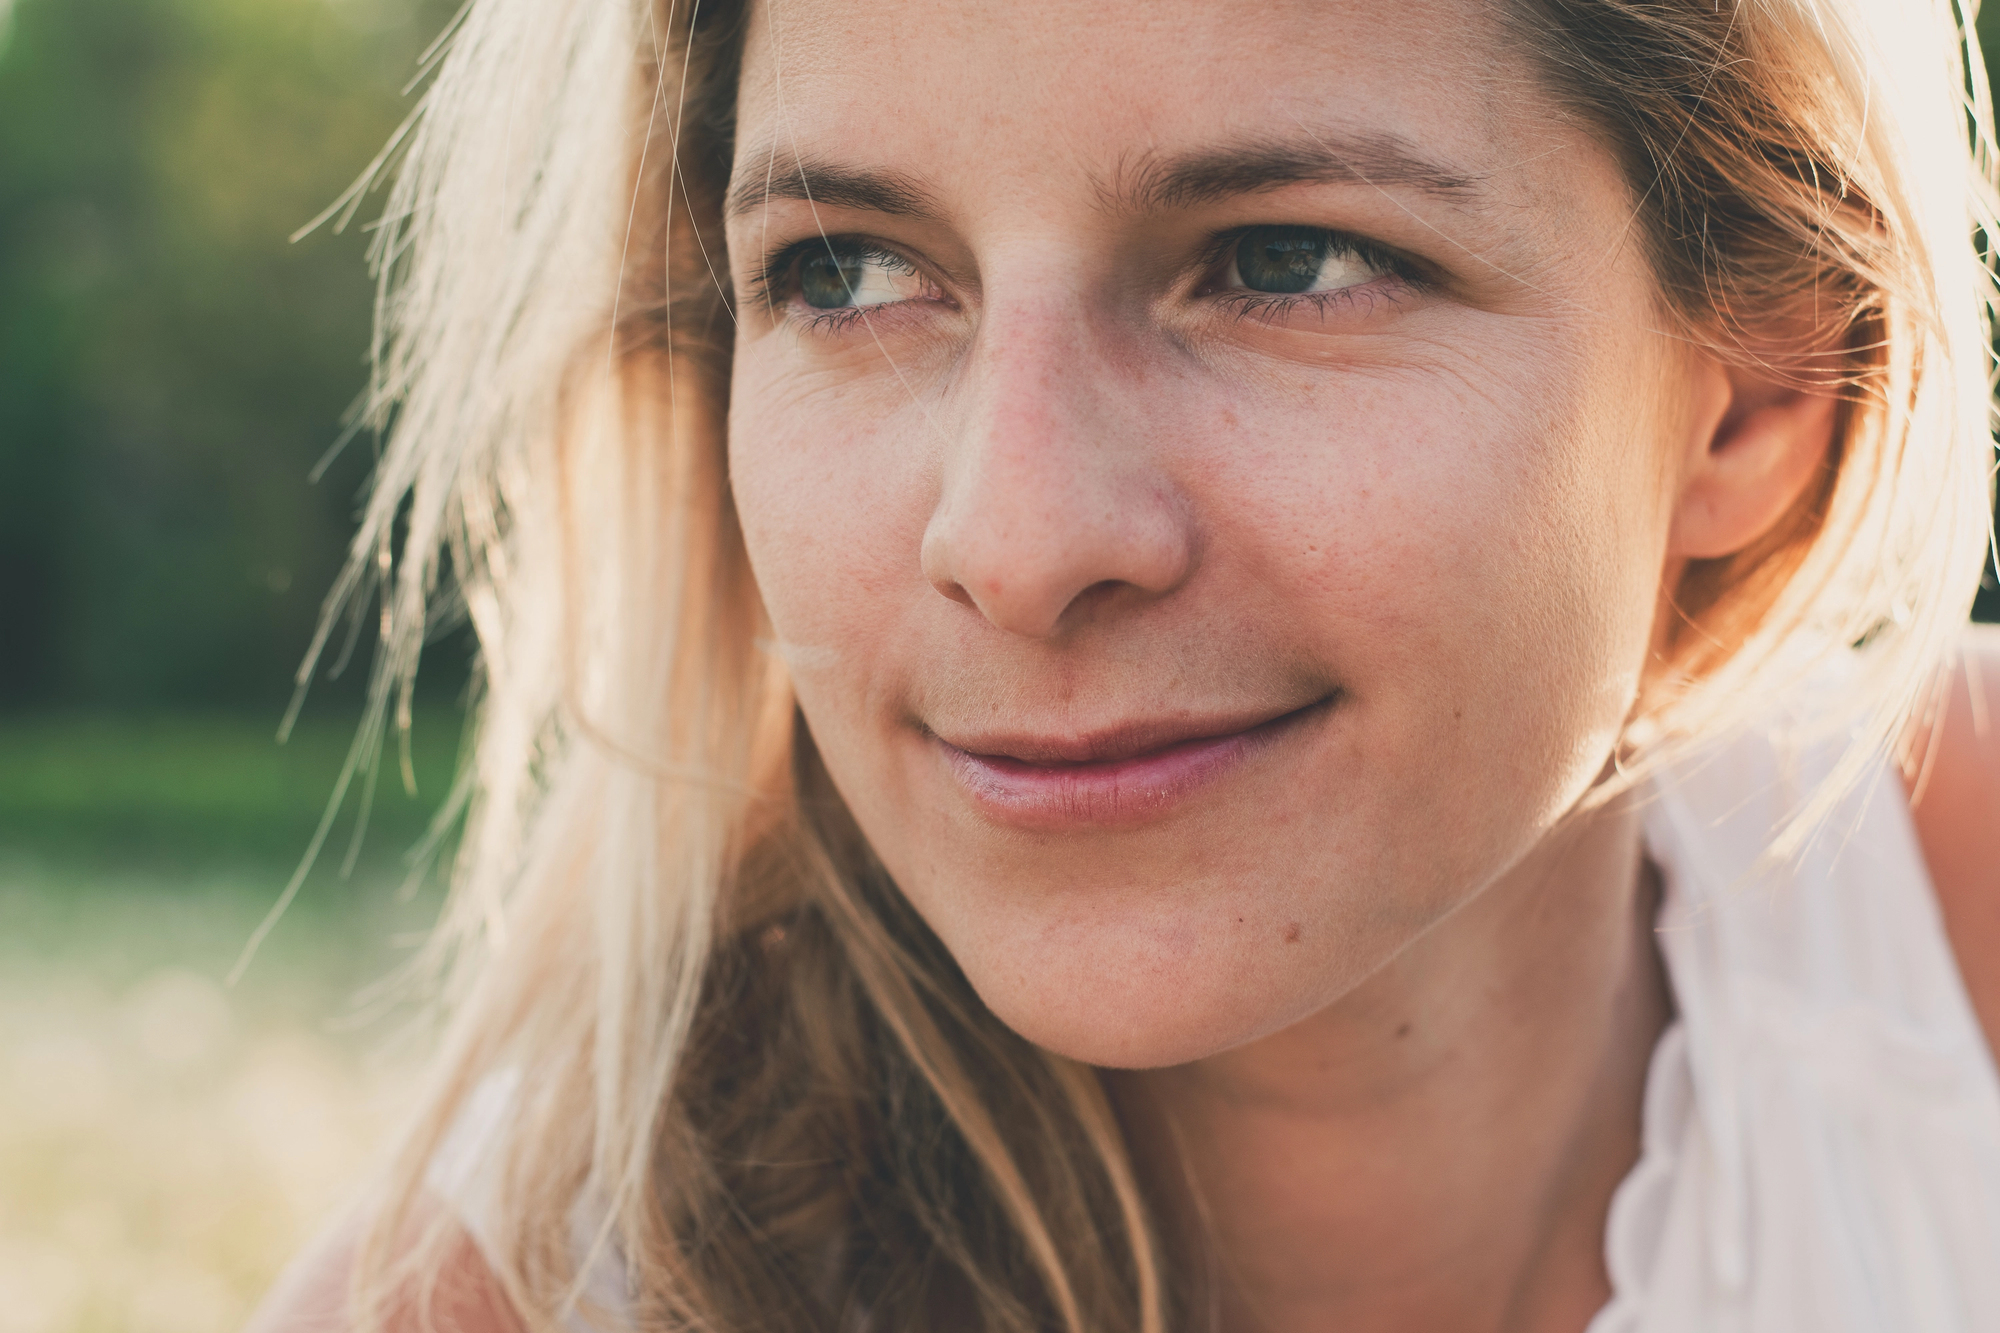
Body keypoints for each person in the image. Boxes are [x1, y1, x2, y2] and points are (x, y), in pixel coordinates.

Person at [247, 0, 2000, 1329]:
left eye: (1286, 262)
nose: (1014, 542)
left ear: (1759, 392)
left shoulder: (1955, 912)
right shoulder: (506, 1300)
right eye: (846, 274)